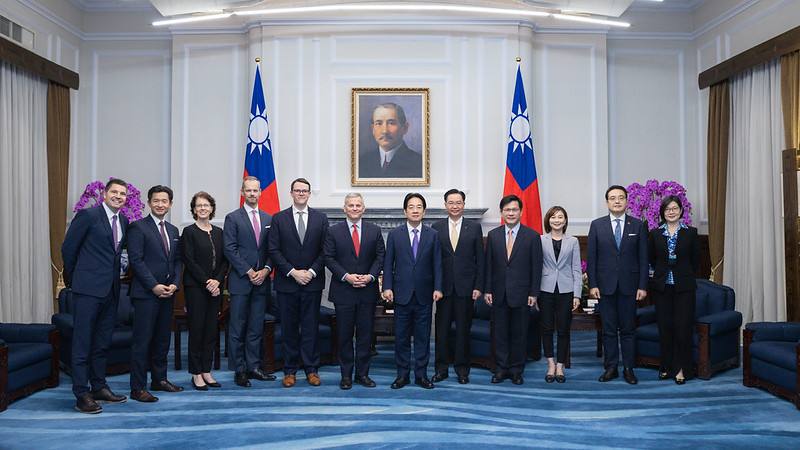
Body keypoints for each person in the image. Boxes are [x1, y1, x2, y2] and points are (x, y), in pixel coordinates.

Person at [61, 178, 130, 414]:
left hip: (111, 291)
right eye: (114, 192)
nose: (119, 196)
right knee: (82, 343)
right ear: (104, 193)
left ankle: (99, 386)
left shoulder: (124, 220)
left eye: (123, 194)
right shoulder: (88, 216)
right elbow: (68, 248)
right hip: (87, 290)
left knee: (102, 343)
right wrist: (75, 281)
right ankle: (82, 393)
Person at [268, 178, 329, 388]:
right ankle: (289, 371)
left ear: (309, 194)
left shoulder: (321, 219)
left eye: (305, 191)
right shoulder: (278, 218)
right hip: (287, 283)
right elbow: (273, 250)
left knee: (311, 328)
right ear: (291, 193)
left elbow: (325, 251)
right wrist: (293, 272)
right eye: (297, 190)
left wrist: (310, 272)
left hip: (312, 282)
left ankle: (312, 370)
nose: (301, 193)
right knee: (289, 329)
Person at [127, 185, 184, 402]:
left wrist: (175, 284)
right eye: (156, 201)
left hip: (168, 293)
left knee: (162, 340)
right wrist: (153, 285)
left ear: (170, 204)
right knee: (142, 341)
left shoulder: (172, 230)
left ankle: (159, 379)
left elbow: (177, 261)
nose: (161, 204)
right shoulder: (138, 227)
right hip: (146, 294)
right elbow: (136, 261)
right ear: (149, 203)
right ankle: (137, 387)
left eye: (165, 201)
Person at [587, 185, 648, 385]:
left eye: (621, 197)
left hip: (630, 287)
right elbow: (592, 258)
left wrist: (642, 286)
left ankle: (629, 368)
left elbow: (643, 258)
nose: (617, 201)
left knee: (629, 329)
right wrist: (593, 285)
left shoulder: (638, 225)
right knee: (609, 329)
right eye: (612, 198)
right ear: (607, 202)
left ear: (627, 201)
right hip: (604, 287)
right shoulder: (597, 225)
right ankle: (611, 367)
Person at [323, 193, 385, 390]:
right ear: (344, 209)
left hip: (367, 290)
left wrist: (370, 277)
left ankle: (362, 374)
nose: (355, 208)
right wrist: (347, 276)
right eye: (351, 205)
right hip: (344, 291)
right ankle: (346, 376)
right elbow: (329, 258)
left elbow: (380, 257)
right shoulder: (333, 231)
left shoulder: (374, 231)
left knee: (366, 336)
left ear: (364, 208)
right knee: (344, 335)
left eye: (358, 205)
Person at [383, 193, 443, 389]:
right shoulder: (395, 235)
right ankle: (402, 376)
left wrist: (438, 287)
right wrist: (387, 287)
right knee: (401, 338)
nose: (415, 210)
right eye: (411, 207)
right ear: (405, 211)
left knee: (422, 338)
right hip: (401, 294)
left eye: (419, 207)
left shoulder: (433, 235)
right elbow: (388, 263)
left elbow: (437, 264)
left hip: (425, 294)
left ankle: (421, 375)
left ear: (424, 211)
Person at [484, 194, 543, 385]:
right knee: (499, 334)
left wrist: (534, 293)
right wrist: (488, 290)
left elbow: (537, 267)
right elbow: (488, 266)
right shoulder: (493, 235)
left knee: (519, 334)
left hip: (522, 294)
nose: (511, 213)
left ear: (521, 211)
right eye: (507, 210)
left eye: (514, 209)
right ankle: (501, 369)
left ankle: (517, 370)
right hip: (499, 293)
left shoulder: (532, 236)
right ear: (501, 212)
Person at [223, 176, 275, 387]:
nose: (253, 194)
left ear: (261, 192)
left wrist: (266, 270)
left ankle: (254, 367)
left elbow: (273, 249)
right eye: (249, 190)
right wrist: (248, 271)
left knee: (256, 327)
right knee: (238, 327)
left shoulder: (269, 218)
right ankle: (239, 369)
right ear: (243, 193)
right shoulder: (232, 218)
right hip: (241, 281)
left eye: (256, 190)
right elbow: (229, 248)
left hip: (262, 281)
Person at [431, 189, 484, 384]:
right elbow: (433, 261)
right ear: (445, 205)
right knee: (442, 331)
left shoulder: (474, 228)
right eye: (451, 202)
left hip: (466, 289)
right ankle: (441, 369)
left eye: (458, 202)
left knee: (463, 331)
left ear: (463, 205)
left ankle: (462, 370)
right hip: (443, 289)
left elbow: (480, 259)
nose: (455, 206)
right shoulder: (436, 228)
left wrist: (479, 286)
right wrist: (435, 286)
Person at [648, 195, 699, 385]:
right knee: (665, 328)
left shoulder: (691, 233)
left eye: (675, 208)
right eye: (667, 209)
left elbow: (695, 262)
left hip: (684, 287)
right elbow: (652, 259)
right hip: (662, 287)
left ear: (680, 210)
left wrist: (683, 273)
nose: (671, 212)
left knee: (683, 328)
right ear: (662, 212)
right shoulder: (654, 233)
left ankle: (681, 369)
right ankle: (666, 367)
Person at [181, 191, 229, 390]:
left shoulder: (219, 232)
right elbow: (189, 261)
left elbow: (225, 261)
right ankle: (195, 373)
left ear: (211, 208)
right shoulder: (189, 232)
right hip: (196, 288)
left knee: (211, 331)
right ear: (193, 209)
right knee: (197, 330)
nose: (202, 208)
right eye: (198, 205)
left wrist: (217, 282)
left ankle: (206, 370)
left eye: (206, 205)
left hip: (215, 289)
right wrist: (207, 281)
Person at [539, 206, 581, 384]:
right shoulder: (540, 240)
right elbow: (535, 267)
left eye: (560, 217)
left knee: (564, 330)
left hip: (566, 290)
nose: (557, 220)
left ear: (565, 221)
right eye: (553, 217)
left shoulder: (573, 241)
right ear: (548, 220)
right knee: (546, 328)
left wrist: (577, 295)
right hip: (545, 289)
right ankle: (550, 363)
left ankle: (560, 365)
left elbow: (577, 269)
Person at [358, 102, 422, 179]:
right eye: (379, 123)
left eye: (391, 123)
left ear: (405, 128)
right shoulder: (362, 161)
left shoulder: (419, 163)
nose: (384, 131)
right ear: (373, 129)